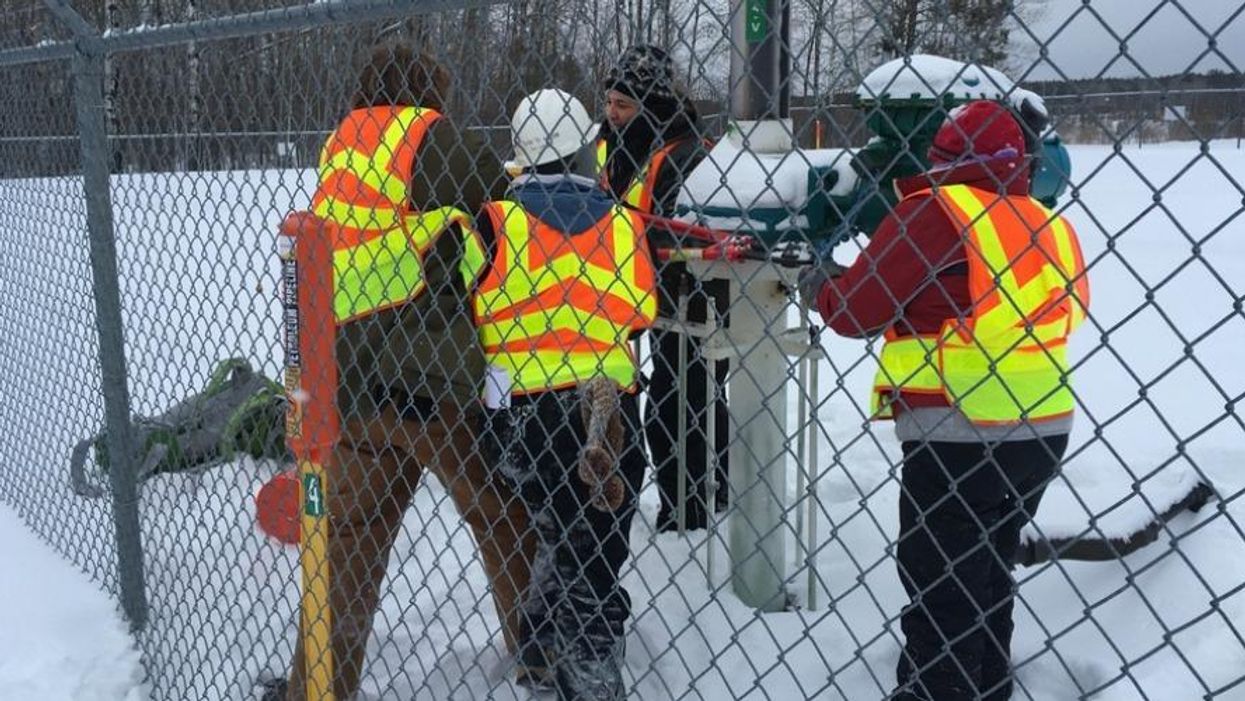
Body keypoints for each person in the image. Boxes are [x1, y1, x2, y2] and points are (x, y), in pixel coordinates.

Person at [265, 45, 535, 701]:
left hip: (347, 374)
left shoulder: (341, 143)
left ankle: (318, 685)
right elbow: (502, 214)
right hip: (430, 379)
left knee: (350, 538)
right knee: (499, 511)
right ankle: (541, 648)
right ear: (428, 90)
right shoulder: (434, 138)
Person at [799, 100, 1090, 701]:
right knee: (986, 573)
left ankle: (938, 691)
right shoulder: (1044, 220)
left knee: (941, 587)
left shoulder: (936, 211)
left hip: (961, 428)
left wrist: (819, 281)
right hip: (1042, 428)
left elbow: (855, 311)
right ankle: (987, 687)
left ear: (943, 156)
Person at [474, 88, 657, 700]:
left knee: (558, 524)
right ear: (587, 150)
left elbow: (474, 304)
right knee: (597, 547)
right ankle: (592, 672)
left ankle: (539, 644)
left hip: (520, 417)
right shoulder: (623, 222)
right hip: (600, 408)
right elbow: (643, 310)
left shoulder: (495, 220)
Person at [597, 44, 726, 532]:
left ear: (652, 108)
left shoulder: (688, 154)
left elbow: (679, 230)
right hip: (639, 294)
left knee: (683, 399)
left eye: (623, 105)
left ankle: (689, 509)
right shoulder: (614, 148)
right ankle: (703, 495)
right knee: (680, 396)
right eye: (609, 101)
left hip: (694, 297)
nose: (612, 113)